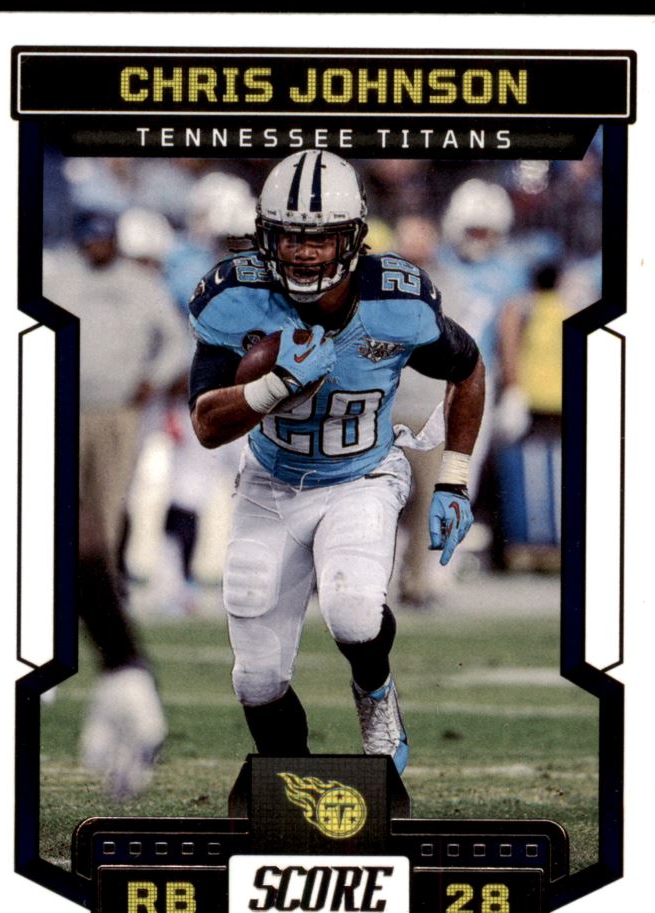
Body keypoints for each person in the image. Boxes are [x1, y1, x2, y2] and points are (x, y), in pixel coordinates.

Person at [188, 150, 485, 773]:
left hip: (362, 476)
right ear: (266, 235)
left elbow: (468, 367)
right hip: (270, 481)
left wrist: (453, 479)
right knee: (256, 678)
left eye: (319, 237)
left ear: (352, 237)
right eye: (290, 236)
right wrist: (273, 387)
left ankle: (376, 694)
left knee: (352, 612)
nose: (303, 252)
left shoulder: (396, 299)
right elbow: (206, 425)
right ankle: (294, 785)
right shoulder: (236, 296)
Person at [44, 211, 188, 795]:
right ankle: (116, 666)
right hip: (59, 401)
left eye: (104, 239)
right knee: (61, 523)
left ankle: (108, 658)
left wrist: (153, 377)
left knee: (92, 522)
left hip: (118, 408)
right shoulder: (58, 275)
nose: (96, 247)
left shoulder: (140, 284)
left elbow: (176, 340)